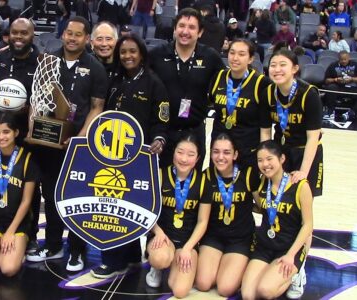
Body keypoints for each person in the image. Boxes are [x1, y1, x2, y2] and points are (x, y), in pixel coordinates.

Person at [26, 16, 109, 272]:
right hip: (48, 142)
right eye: (68, 33)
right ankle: (52, 245)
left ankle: (76, 250)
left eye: (78, 34)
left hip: (76, 146)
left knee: (75, 198)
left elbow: (97, 107)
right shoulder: (48, 60)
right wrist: (33, 125)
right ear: (63, 35)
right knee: (49, 195)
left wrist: (80, 137)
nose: (72, 38)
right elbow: (36, 99)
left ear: (87, 39)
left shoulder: (95, 68)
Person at [90, 34, 169, 279]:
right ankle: (115, 259)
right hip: (110, 156)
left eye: (132, 51)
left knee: (133, 207)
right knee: (111, 207)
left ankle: (132, 255)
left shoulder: (154, 83)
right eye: (123, 52)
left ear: (142, 54)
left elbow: (162, 120)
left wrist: (159, 139)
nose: (127, 56)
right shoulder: (112, 79)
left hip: (139, 158)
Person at [261, 49, 323, 298]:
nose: (276, 69)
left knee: (304, 211)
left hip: (306, 153)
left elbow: (313, 138)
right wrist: (265, 159)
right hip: (281, 152)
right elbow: (266, 131)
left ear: (295, 68)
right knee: (280, 205)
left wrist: (303, 174)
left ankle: (299, 268)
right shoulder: (268, 92)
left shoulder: (309, 94)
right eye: (273, 65)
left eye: (282, 65)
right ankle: (278, 254)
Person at [149, 8, 225, 170]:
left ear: (200, 32)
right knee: (159, 184)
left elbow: (225, 84)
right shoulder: (156, 55)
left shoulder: (211, 57)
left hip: (194, 130)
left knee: (190, 188)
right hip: (162, 132)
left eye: (191, 27)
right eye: (181, 26)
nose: (185, 31)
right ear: (175, 29)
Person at [240, 140, 313, 300]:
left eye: (269, 159)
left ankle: (296, 273)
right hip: (265, 246)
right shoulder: (262, 183)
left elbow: (308, 225)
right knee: (248, 295)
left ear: (281, 159)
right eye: (260, 160)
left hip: (289, 249)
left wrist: (291, 255)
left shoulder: (300, 186)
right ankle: (274, 273)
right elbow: (262, 208)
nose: (265, 164)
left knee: (265, 290)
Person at [0, 18, 41, 253]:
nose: (18, 37)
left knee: (29, 187)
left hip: (28, 135)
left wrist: (28, 109)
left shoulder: (41, 62)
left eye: (24, 33)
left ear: (33, 35)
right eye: (14, 33)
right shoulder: (0, 58)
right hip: (1, 133)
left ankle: (30, 236)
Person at [144, 131, 211, 297]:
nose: (184, 159)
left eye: (190, 154)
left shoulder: (204, 182)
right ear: (173, 152)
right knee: (160, 258)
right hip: (163, 237)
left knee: (180, 291)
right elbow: (147, 210)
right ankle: (156, 268)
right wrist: (158, 232)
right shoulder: (160, 174)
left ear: (197, 158)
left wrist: (188, 248)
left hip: (187, 242)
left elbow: (203, 221)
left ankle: (176, 262)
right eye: (180, 152)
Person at [195, 133, 261, 297]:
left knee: (225, 288)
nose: (220, 157)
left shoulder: (247, 175)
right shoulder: (206, 176)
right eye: (216, 152)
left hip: (240, 239)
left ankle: (241, 266)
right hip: (213, 237)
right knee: (203, 284)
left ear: (235, 154)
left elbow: (262, 206)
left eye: (226, 152)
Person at [0, 113, 39, 277]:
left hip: (16, 224)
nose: (1, 137)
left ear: (16, 133)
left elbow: (26, 201)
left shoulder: (27, 159)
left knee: (8, 269)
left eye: (6, 132)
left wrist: (10, 232)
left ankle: (22, 246)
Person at [208, 39, 270, 170]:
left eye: (241, 54)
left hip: (247, 151)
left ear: (250, 59)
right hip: (220, 151)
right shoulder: (218, 77)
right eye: (232, 53)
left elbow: (266, 124)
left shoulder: (261, 83)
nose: (235, 58)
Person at [323, 51, 357, 121]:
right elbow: (326, 80)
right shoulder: (333, 65)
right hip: (339, 87)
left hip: (352, 87)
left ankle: (351, 112)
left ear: (349, 58)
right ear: (338, 59)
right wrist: (335, 79)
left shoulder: (355, 64)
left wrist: (352, 79)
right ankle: (330, 112)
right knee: (330, 88)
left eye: (345, 59)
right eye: (341, 59)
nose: (343, 61)